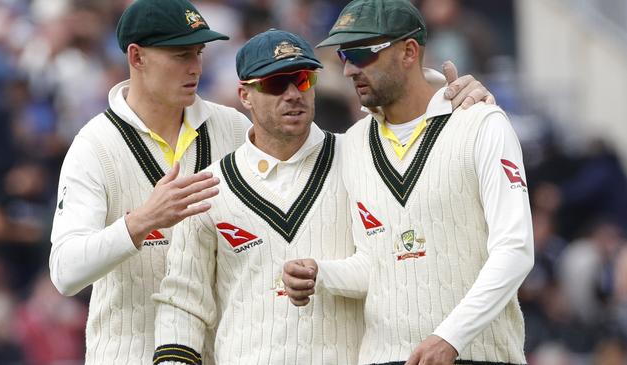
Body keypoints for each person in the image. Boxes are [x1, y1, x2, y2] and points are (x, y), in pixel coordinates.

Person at [152, 28, 496, 365]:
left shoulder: (361, 155)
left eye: (302, 79)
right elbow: (184, 300)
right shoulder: (210, 186)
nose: (292, 94)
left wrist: (462, 102)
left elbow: (394, 261)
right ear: (245, 95)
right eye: (274, 84)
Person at [283, 1, 534, 365]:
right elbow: (377, 264)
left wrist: (451, 337)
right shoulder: (352, 144)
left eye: (361, 53)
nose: (349, 68)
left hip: (475, 354)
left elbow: (515, 250)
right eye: (343, 54)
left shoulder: (481, 123)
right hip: (385, 357)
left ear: (409, 52)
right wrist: (321, 274)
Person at [48, 0, 252, 363]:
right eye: (180, 55)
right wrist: (143, 220)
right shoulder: (94, 146)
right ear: (137, 57)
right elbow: (65, 272)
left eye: (199, 52)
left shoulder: (234, 128)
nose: (195, 68)